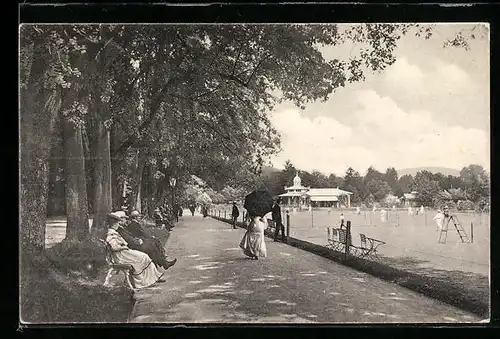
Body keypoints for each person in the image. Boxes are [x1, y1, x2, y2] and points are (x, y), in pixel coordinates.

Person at [105, 212, 165, 289]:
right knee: (143, 257)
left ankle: (153, 278)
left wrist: (124, 246)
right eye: (117, 223)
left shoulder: (114, 232)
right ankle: (144, 281)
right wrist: (124, 247)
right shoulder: (111, 234)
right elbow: (114, 248)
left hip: (124, 253)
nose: (118, 225)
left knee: (144, 256)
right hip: (121, 255)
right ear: (113, 224)